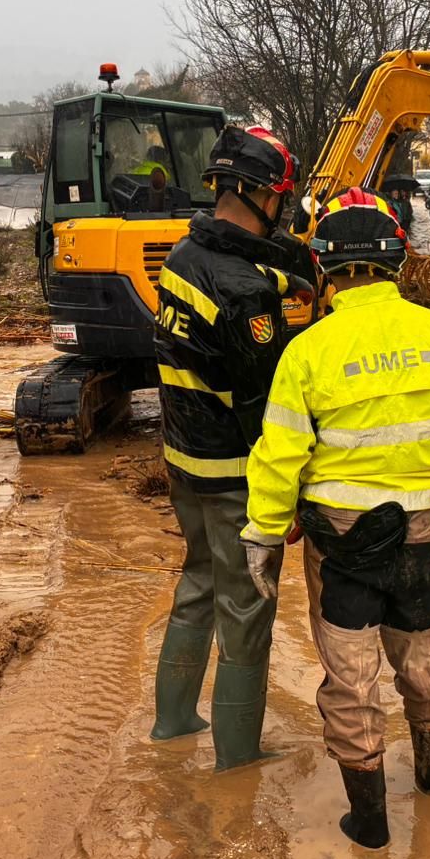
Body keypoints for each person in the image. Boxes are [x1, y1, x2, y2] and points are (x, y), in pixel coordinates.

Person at [240, 188, 430, 848]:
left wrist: (262, 536)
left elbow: (279, 457)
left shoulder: (307, 352)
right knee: (426, 659)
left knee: (351, 676)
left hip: (342, 544)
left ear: (323, 266)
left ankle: (370, 823)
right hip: (428, 539)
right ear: (400, 259)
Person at [150, 125, 307, 770]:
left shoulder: (184, 253)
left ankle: (174, 722)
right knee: (246, 611)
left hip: (184, 459)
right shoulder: (246, 291)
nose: (282, 211)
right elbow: (265, 410)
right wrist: (285, 501)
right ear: (254, 192)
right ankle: (237, 759)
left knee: (196, 585)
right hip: (233, 474)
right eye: (278, 198)